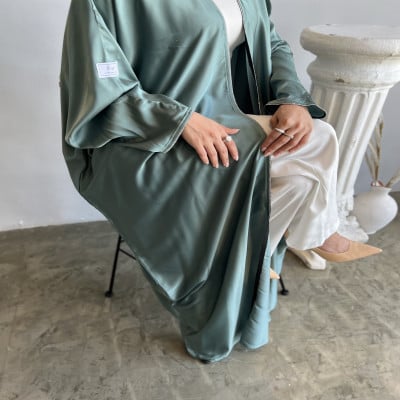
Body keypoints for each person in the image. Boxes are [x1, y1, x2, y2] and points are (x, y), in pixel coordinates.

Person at [60, 0, 381, 362]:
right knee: (314, 150)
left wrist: (292, 100)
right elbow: (99, 81)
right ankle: (300, 241)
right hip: (146, 136)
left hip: (228, 119)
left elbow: (271, 42)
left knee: (308, 157)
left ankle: (252, 261)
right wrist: (180, 120)